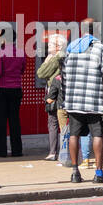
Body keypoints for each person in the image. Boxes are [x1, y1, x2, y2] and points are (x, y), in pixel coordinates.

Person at [61, 18, 103, 184]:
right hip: (95, 100)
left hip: (74, 101)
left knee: (74, 134)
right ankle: (99, 173)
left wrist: (65, 99)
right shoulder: (101, 48)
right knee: (97, 134)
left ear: (81, 29)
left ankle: (75, 173)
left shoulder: (71, 47)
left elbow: (64, 77)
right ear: (96, 29)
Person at [38, 33, 68, 161]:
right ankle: (60, 151)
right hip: (62, 92)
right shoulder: (63, 56)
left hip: (54, 92)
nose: (48, 45)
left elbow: (41, 73)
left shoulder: (56, 58)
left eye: (50, 44)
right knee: (59, 121)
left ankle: (53, 152)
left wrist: (47, 62)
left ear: (58, 46)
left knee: (53, 121)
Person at [0, 24, 26, 158]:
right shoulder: (20, 51)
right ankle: (17, 150)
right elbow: (22, 69)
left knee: (1, 121)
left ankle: (1, 151)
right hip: (16, 89)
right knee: (15, 121)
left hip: (1, 90)